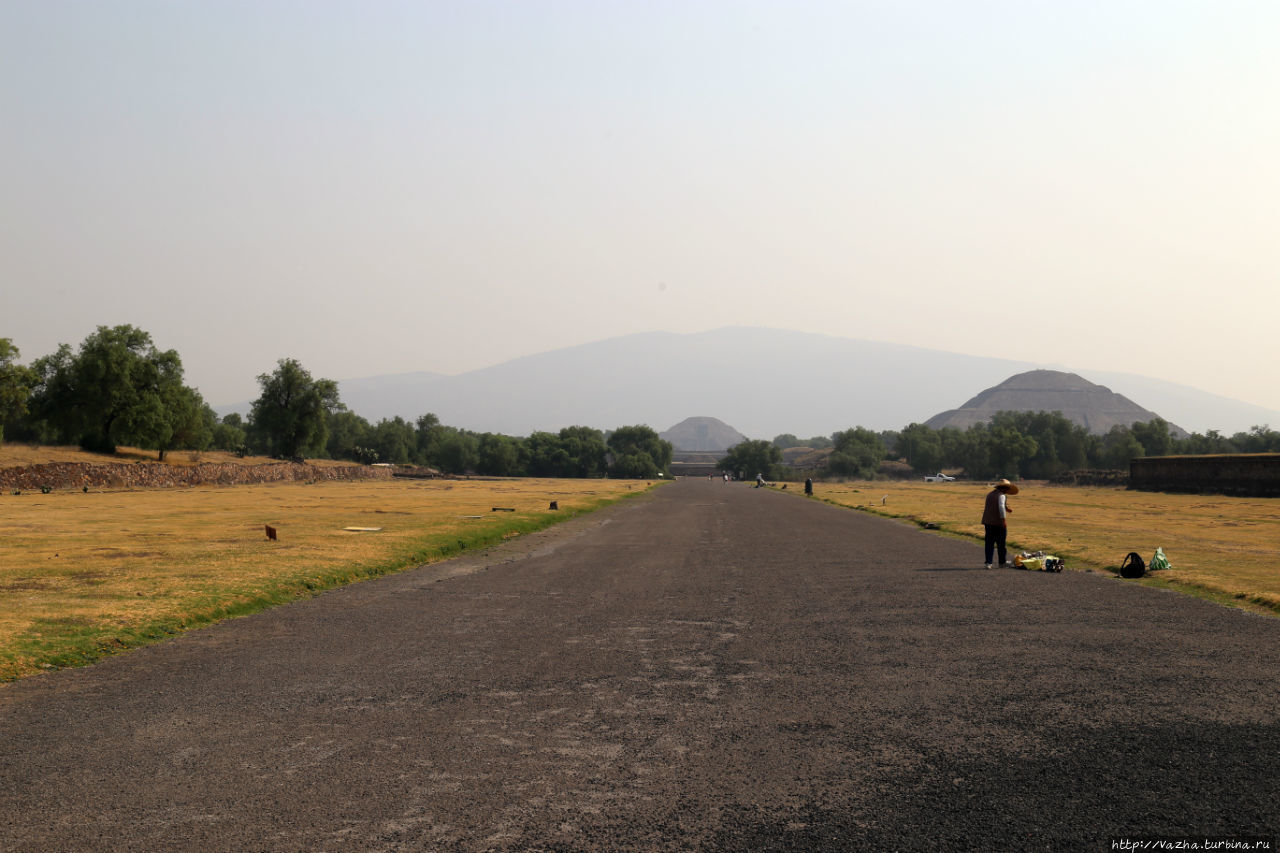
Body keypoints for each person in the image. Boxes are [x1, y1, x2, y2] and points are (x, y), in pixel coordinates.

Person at [982, 478, 1019, 569]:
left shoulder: (990, 494)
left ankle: (988, 563)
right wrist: (1003, 521)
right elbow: (1001, 507)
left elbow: (995, 505)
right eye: (1007, 489)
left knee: (989, 543)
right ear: (1004, 488)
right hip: (998, 524)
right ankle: (1002, 563)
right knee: (1001, 544)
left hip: (988, 522)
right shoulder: (1002, 496)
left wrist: (1007, 508)